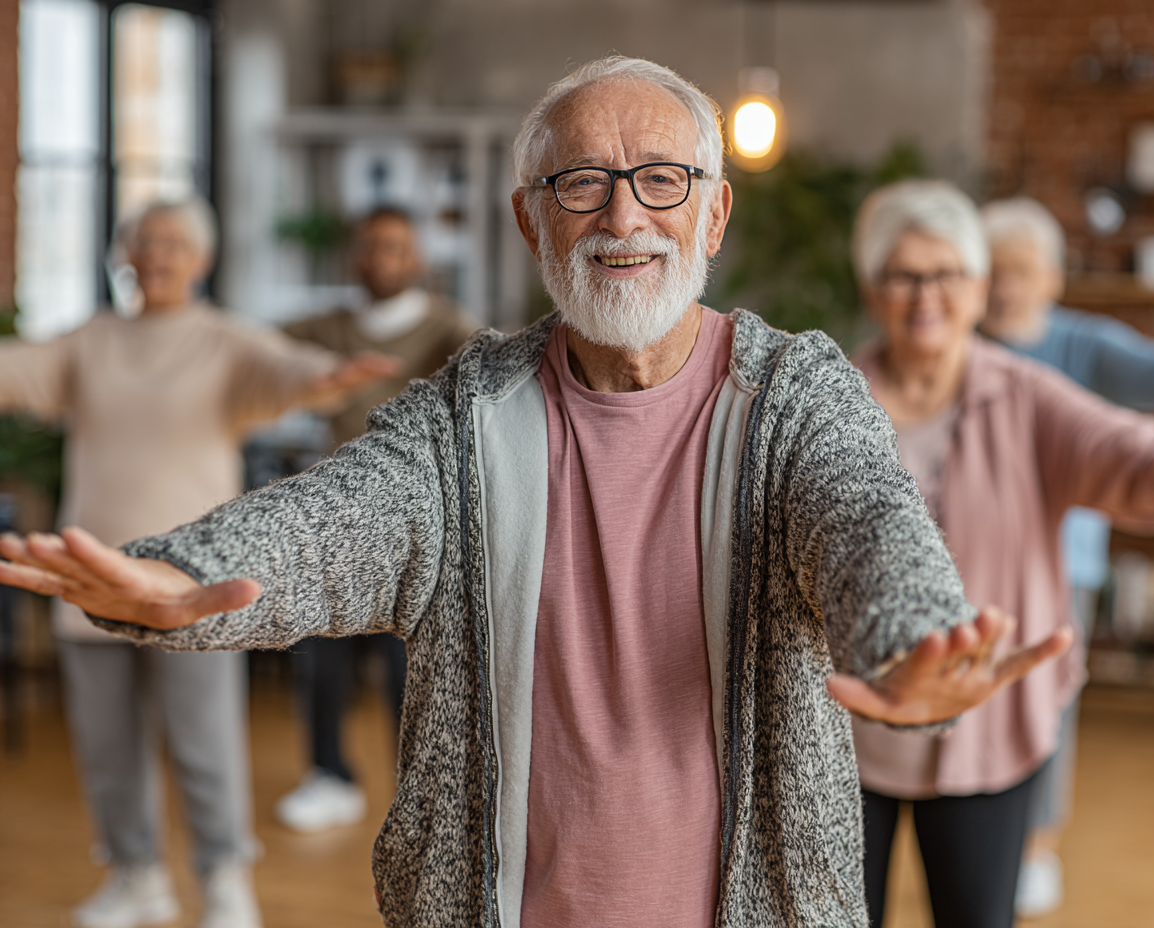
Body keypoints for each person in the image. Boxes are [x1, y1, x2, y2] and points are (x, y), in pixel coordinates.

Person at [0, 59, 1074, 928]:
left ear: (712, 215)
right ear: (530, 219)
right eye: (581, 182)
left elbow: (867, 517)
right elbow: (338, 516)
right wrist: (172, 573)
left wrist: (912, 636)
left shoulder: (793, 396)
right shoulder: (463, 412)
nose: (623, 215)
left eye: (662, 179)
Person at [0, 197, 400, 928]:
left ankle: (224, 883)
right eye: (145, 241)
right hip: (89, 576)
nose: (157, 255)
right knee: (108, 748)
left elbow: (286, 372)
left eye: (174, 243)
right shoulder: (92, 339)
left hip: (190, 581)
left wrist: (333, 375)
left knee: (203, 743)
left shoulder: (222, 341)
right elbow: (19, 369)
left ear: (202, 258)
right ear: (124, 253)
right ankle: (136, 874)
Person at [849, 179, 1154, 928]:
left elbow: (1115, 446)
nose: (927, 294)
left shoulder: (1026, 393)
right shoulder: (832, 400)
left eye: (948, 273)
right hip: (849, 728)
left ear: (980, 287)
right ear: (871, 290)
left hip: (990, 720)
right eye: (903, 274)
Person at [979, 196, 1154, 917]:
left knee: (1048, 699)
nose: (1007, 286)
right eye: (996, 270)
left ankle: (1036, 848)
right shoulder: (956, 343)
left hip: (1062, 564)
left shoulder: (1082, 343)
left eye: (1023, 272)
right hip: (968, 557)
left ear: (1053, 279)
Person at [276, 206, 476, 833]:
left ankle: (415, 790)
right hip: (335, 521)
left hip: (414, 526)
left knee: (408, 668)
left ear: (416, 258)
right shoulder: (326, 326)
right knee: (325, 658)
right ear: (354, 256)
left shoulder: (449, 329)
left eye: (394, 247)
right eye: (370, 247)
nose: (381, 258)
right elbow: (259, 351)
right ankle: (328, 774)